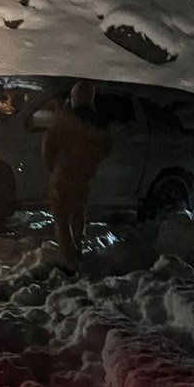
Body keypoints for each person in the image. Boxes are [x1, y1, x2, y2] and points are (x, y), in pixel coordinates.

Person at [42, 80, 111, 271]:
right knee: (78, 213)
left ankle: (69, 256)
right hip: (84, 175)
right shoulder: (97, 121)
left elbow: (48, 146)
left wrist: (53, 168)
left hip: (63, 174)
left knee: (61, 216)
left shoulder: (64, 118)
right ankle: (78, 249)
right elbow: (106, 148)